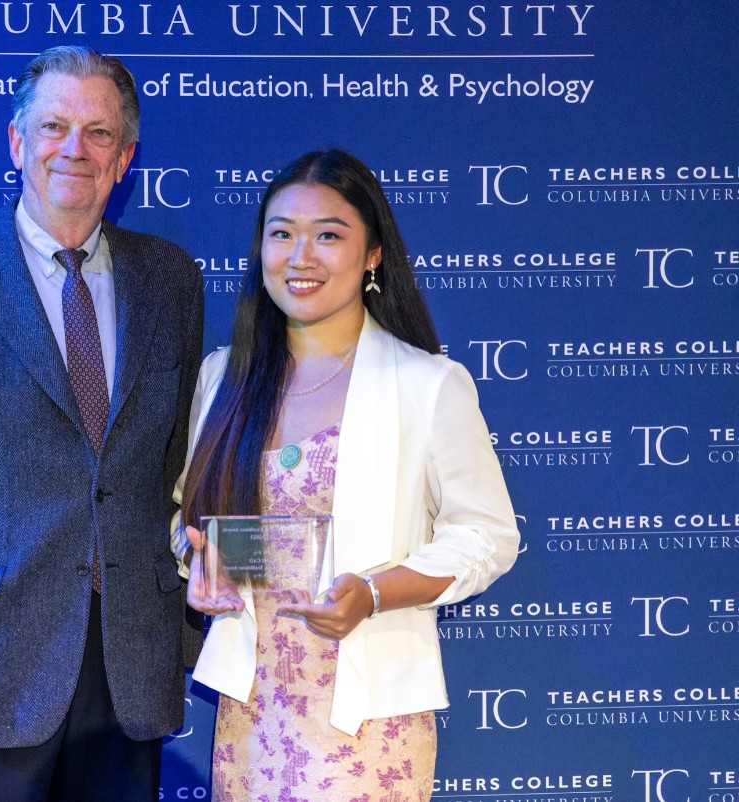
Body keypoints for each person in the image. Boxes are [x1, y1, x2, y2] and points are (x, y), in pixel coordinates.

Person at [0, 46, 204, 801]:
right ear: (18, 143)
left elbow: (179, 470)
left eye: (98, 132)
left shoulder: (172, 279)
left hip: (131, 670)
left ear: (125, 158)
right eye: (54, 126)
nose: (74, 149)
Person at [171, 150, 518, 801]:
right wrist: (202, 563)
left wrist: (373, 590)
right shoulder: (226, 376)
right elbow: (187, 516)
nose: (301, 255)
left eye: (328, 234)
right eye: (282, 233)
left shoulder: (426, 384)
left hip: (368, 715)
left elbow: (488, 535)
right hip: (253, 713)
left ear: (373, 254)